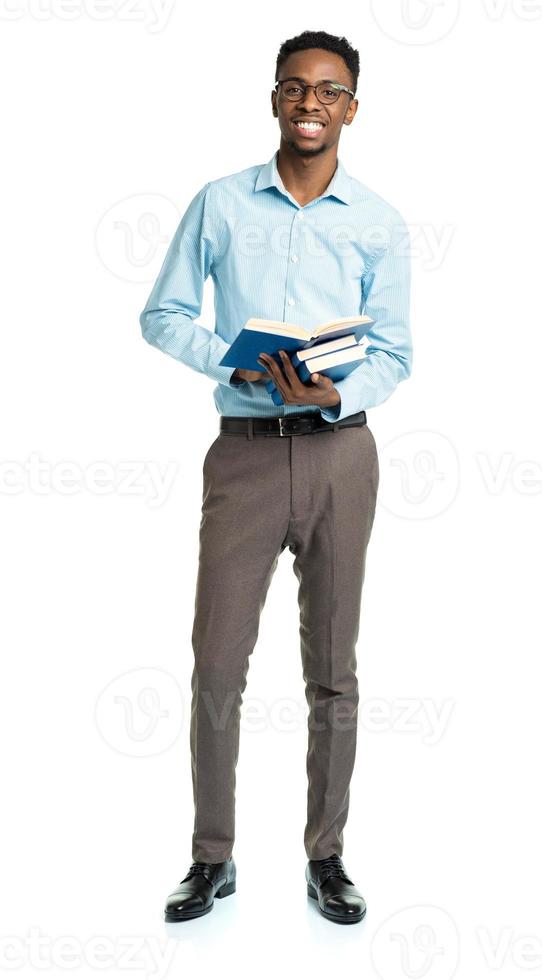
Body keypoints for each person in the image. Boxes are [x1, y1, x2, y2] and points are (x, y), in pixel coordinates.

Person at [139, 29, 412, 925]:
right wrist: (232, 362)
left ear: (351, 109)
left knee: (333, 669)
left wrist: (340, 389)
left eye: (328, 92)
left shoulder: (378, 220)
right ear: (274, 99)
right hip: (246, 456)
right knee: (217, 662)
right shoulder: (220, 204)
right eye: (295, 88)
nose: (310, 104)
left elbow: (397, 351)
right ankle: (210, 857)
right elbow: (163, 312)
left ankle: (326, 857)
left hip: (342, 454)